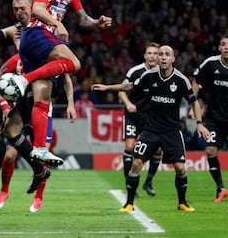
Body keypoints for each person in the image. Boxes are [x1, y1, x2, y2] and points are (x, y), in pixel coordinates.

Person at [13, 0, 112, 164]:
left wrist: (98, 23)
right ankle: (23, 79)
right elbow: (37, 9)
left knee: (43, 93)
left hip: (40, 42)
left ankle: (39, 147)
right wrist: (57, 23)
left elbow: (83, 19)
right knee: (73, 63)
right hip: (37, 33)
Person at [92, 45, 210, 212]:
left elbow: (194, 102)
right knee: (137, 163)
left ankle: (182, 202)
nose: (162, 57)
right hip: (151, 130)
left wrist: (199, 123)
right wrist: (108, 87)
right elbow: (130, 87)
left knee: (180, 168)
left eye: (166, 54)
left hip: (172, 131)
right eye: (160, 54)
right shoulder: (149, 75)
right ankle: (129, 203)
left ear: (173, 59)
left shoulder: (181, 80)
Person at [0, 53, 76, 213]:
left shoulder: (54, 58)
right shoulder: (16, 60)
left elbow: (66, 79)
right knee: (10, 155)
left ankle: (38, 197)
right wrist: (4, 106)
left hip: (44, 111)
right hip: (21, 110)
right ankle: (4, 191)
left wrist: (70, 104)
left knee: (43, 154)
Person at [118, 43, 161, 197]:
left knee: (158, 150)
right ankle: (129, 182)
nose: (152, 56)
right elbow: (122, 91)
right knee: (130, 147)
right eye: (149, 53)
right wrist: (128, 103)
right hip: (133, 116)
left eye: (155, 53)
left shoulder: (162, 73)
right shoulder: (135, 72)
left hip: (152, 119)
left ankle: (148, 182)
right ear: (144, 56)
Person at [192, 33, 228, 202]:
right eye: (223, 44)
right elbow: (196, 81)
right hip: (214, 118)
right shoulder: (210, 63)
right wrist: (193, 103)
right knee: (210, 150)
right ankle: (221, 188)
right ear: (219, 48)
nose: (226, 47)